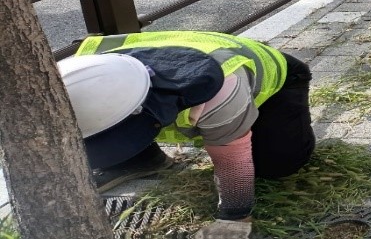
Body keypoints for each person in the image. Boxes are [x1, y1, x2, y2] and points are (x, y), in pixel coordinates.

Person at [58, 31, 315, 238]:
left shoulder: (220, 89)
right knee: (109, 133)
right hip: (162, 61)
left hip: (275, 77)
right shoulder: (75, 77)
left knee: (277, 165)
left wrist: (234, 217)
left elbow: (232, 160)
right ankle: (144, 161)